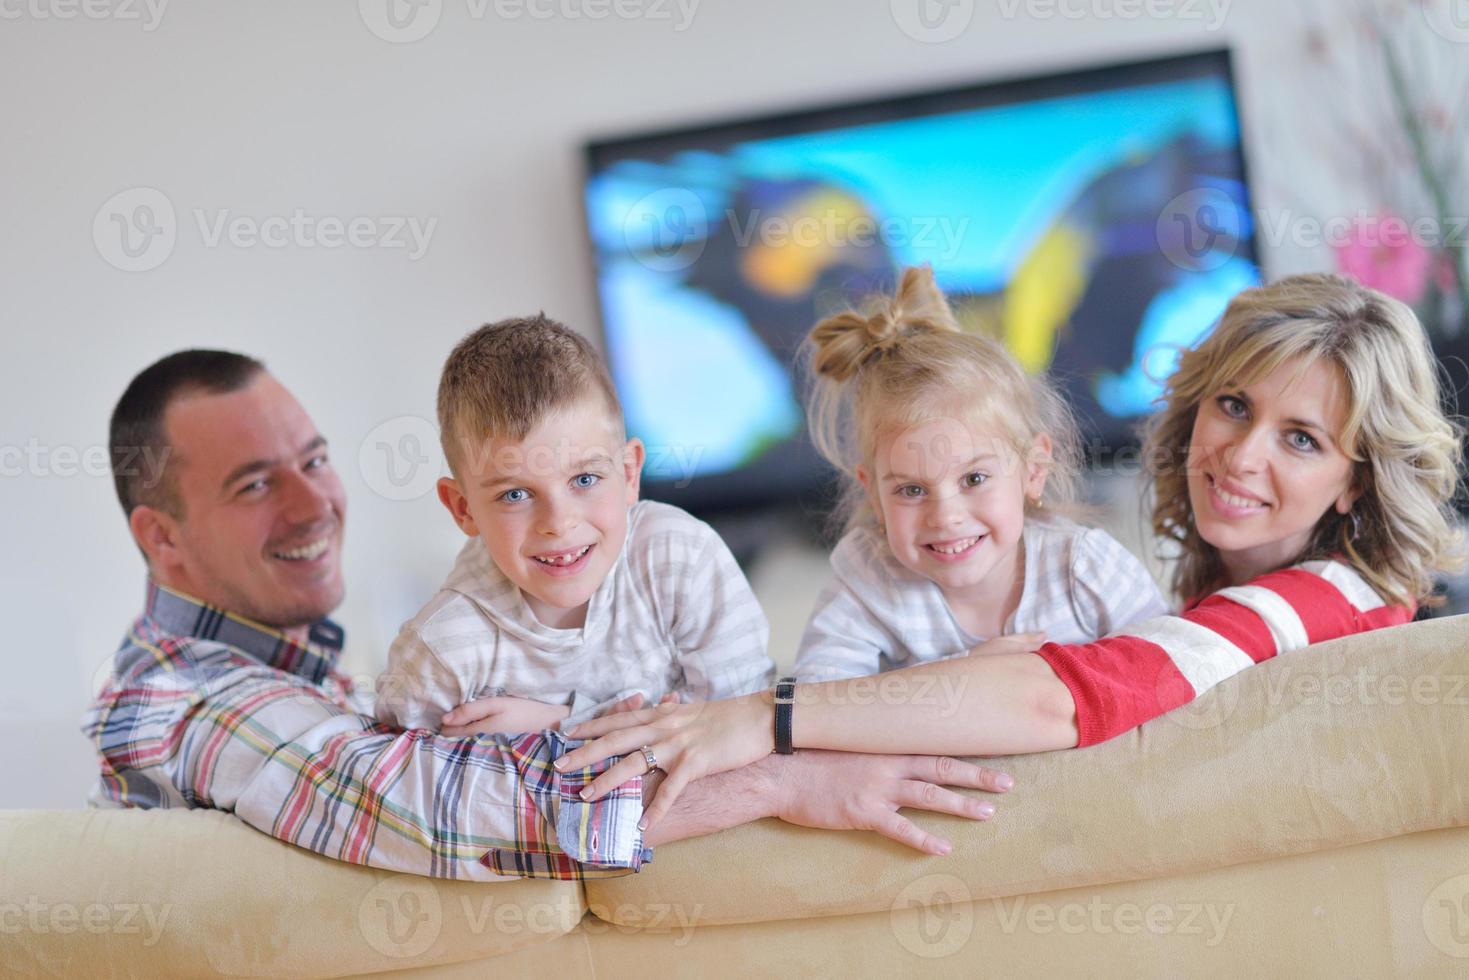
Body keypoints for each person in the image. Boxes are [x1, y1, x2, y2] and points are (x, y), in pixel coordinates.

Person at [559, 272, 1465, 830]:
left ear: (1356, 480)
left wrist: (768, 716)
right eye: (1234, 406)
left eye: (1301, 439)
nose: (1241, 453)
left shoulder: (1329, 599)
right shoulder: (1231, 592)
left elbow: (1064, 700)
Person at [81, 350, 1013, 882]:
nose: (314, 504)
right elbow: (440, 807)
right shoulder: (186, 701)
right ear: (162, 538)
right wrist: (783, 783)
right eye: (254, 483)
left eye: (313, 461)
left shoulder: (293, 673)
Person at [373, 315, 774, 735]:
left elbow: (748, 726)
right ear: (463, 508)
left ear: (629, 474)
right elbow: (394, 784)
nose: (559, 524)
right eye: (515, 495)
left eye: (584, 480)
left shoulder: (681, 560)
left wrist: (562, 725)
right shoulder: (443, 653)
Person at [794, 265, 1167, 683]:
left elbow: (1166, 673)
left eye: (973, 479)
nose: (945, 517)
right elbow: (817, 701)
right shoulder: (871, 578)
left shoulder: (1086, 570)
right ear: (875, 496)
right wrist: (961, 677)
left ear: (1033, 469)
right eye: (912, 489)